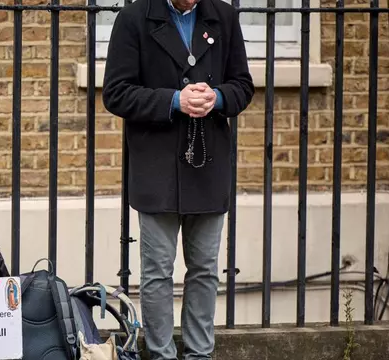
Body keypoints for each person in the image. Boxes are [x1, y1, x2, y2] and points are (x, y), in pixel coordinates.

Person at [102, 0, 255, 359]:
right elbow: (116, 92)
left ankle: (200, 354)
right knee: (157, 273)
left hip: (208, 165)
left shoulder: (225, 17)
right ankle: (161, 355)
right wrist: (174, 100)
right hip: (156, 168)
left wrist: (217, 97)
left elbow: (243, 85)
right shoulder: (133, 18)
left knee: (204, 270)